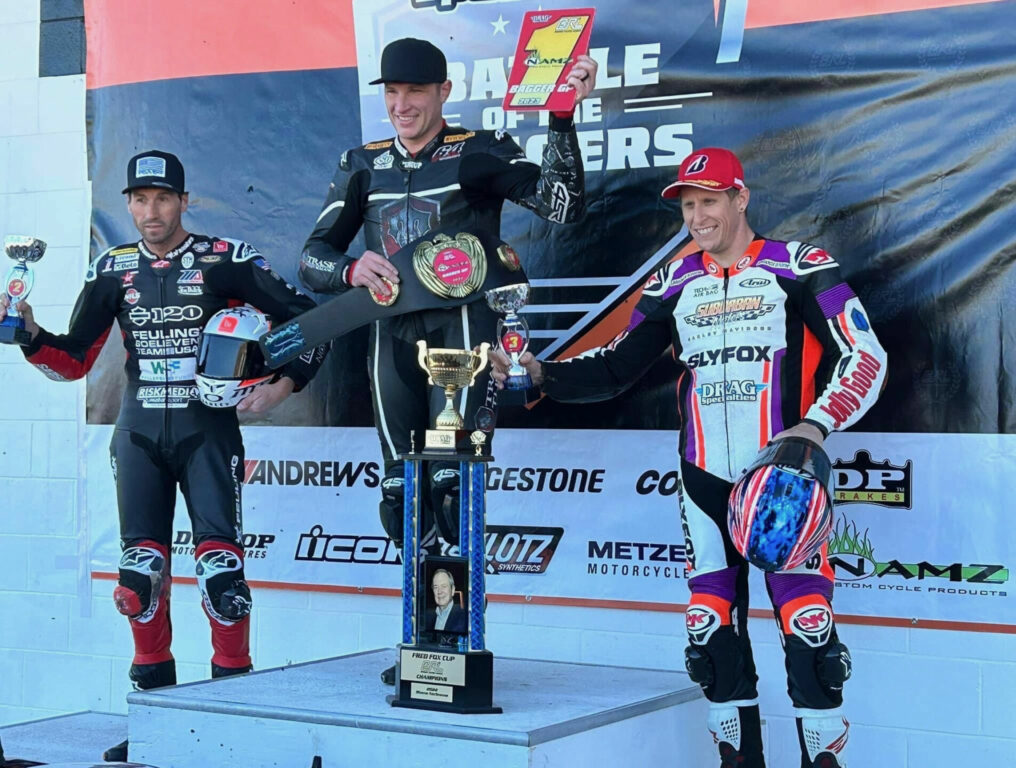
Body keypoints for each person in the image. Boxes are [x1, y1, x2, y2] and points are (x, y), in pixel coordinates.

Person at [490, 147, 887, 768]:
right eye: (688, 205)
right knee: (710, 638)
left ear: (740, 198)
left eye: (709, 201)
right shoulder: (672, 280)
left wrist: (814, 426)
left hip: (781, 486)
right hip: (701, 482)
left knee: (810, 636)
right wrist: (541, 375)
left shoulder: (799, 265)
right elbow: (618, 367)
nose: (698, 216)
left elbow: (866, 356)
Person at [0, 150, 328, 763]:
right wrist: (28, 333)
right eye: (139, 199)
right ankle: (156, 726)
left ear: (184, 201)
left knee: (222, 579)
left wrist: (282, 383)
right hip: (139, 433)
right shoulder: (112, 268)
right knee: (138, 581)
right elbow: (73, 361)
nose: (151, 212)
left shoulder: (225, 259)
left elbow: (308, 322)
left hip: (209, 433)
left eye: (163, 199)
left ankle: (235, 721)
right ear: (127, 203)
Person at [298, 37, 596, 683]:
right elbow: (313, 256)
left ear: (442, 93)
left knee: (450, 483)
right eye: (393, 93)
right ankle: (420, 640)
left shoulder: (479, 149)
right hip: (390, 342)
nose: (402, 105)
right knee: (399, 491)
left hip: (465, 336)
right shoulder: (362, 164)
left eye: (416, 92)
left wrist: (563, 119)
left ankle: (454, 645)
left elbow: (562, 208)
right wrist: (351, 266)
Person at [429, 568, 467, 635]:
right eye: (436, 587)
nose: (439, 591)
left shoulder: (464, 616)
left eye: (444, 586)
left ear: (453, 590)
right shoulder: (429, 617)